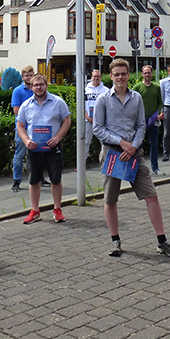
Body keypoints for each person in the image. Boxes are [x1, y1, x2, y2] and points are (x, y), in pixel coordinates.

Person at [93, 59, 170, 258]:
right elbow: (98, 128)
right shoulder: (103, 99)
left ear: (129, 75)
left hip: (133, 153)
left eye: (124, 73)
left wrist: (133, 146)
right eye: (117, 74)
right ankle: (115, 240)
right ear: (111, 76)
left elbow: (141, 126)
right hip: (112, 153)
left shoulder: (137, 98)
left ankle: (162, 241)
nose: (121, 77)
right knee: (110, 199)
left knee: (151, 195)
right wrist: (121, 143)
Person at [16, 73, 71, 224]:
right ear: (31, 86)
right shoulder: (26, 105)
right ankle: (35, 211)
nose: (38, 87)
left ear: (46, 85)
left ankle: (57, 209)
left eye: (41, 84)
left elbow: (67, 120)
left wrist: (58, 137)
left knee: (55, 179)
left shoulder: (58, 102)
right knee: (34, 180)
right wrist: (26, 141)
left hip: (53, 147)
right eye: (35, 85)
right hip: (34, 148)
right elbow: (20, 126)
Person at [133, 65, 164, 175]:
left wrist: (161, 112)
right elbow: (132, 103)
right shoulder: (137, 87)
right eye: (145, 73)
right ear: (142, 74)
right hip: (140, 121)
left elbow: (160, 102)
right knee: (138, 145)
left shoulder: (156, 87)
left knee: (154, 145)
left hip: (153, 120)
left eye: (149, 73)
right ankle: (137, 168)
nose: (147, 75)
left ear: (152, 74)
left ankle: (155, 168)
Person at [10, 66, 34, 192]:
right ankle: (16, 181)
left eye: (31, 75)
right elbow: (16, 110)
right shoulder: (18, 91)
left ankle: (37, 178)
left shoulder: (36, 89)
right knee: (19, 155)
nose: (29, 78)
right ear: (23, 77)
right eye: (26, 76)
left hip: (36, 129)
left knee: (36, 155)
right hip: (22, 128)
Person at [84, 69, 109, 156]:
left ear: (101, 78)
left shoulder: (106, 90)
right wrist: (87, 116)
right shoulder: (85, 90)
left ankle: (105, 160)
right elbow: (82, 104)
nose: (96, 78)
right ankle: (83, 162)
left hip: (101, 121)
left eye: (98, 76)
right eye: (94, 76)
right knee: (86, 141)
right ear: (91, 77)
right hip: (88, 120)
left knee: (104, 142)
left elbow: (109, 106)